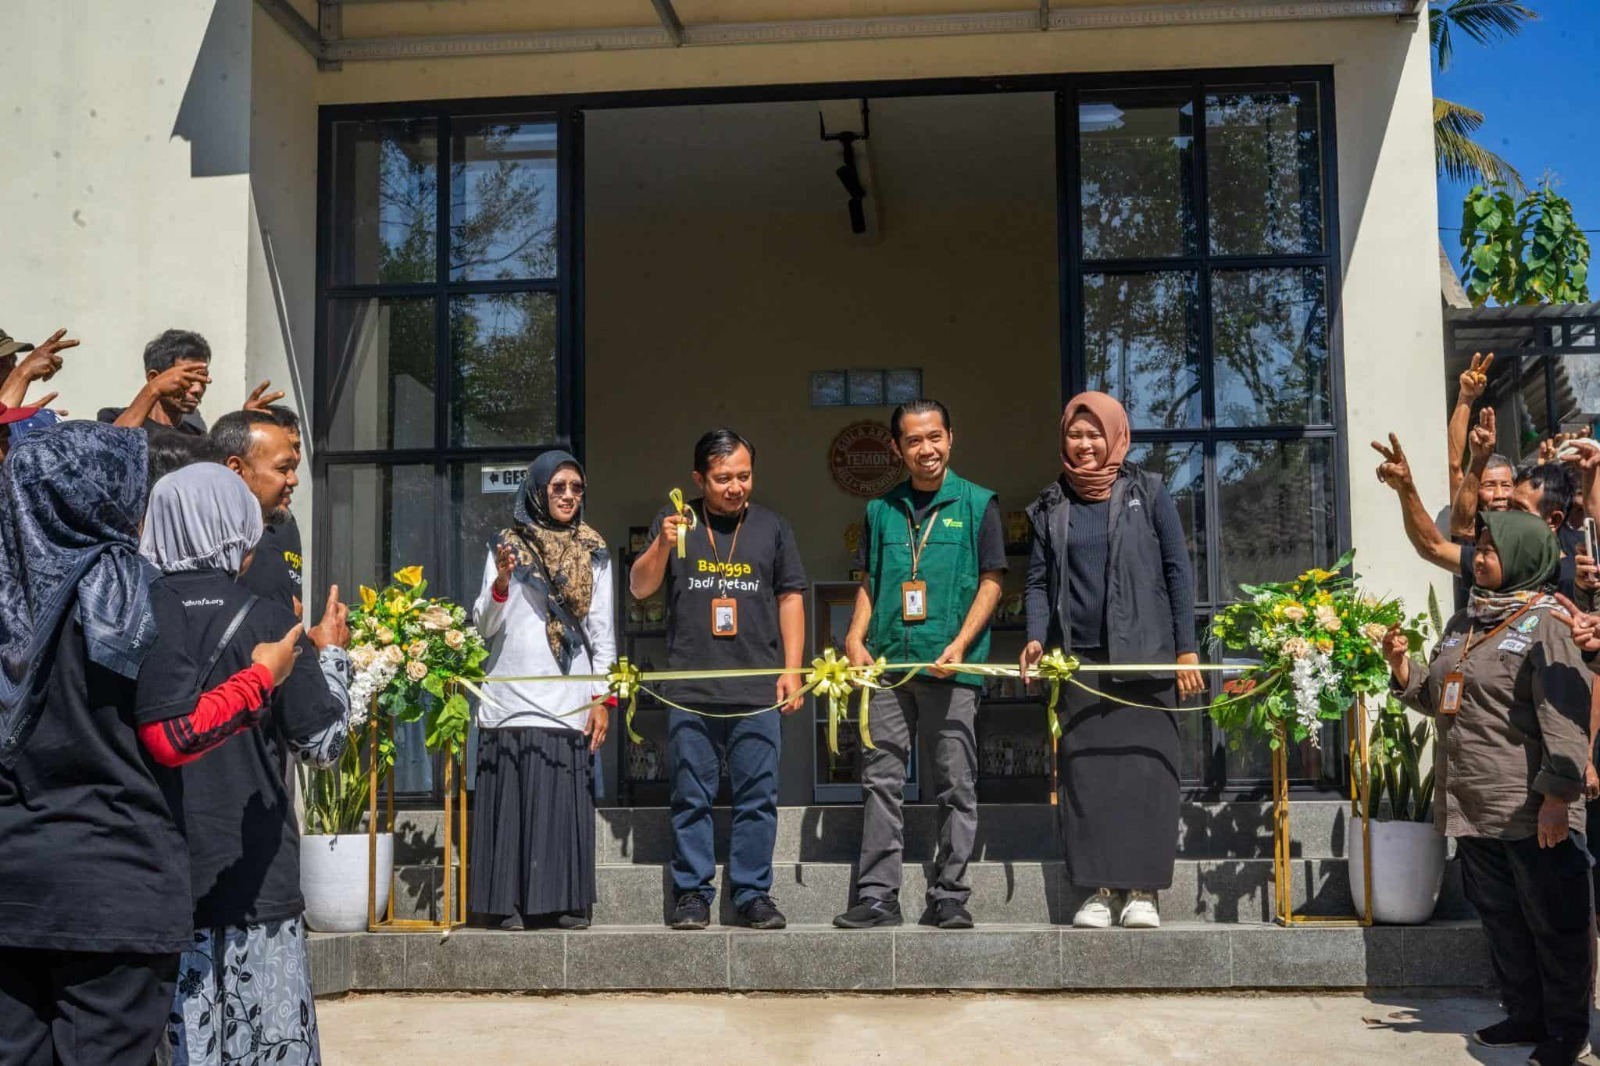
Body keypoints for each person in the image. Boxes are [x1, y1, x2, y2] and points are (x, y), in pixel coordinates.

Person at [0, 422, 298, 1066]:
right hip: (114, 885)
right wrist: (260, 679)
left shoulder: (9, 596)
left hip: (14, 886)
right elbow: (174, 736)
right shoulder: (130, 592)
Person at [137, 463, 351, 1066]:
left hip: (164, 877)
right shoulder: (267, 617)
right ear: (239, 527)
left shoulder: (134, 615)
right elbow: (322, 745)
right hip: (258, 876)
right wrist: (330, 658)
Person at [1385, 510, 1592, 1066]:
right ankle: (1524, 1013)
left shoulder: (1549, 622)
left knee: (1555, 923)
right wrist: (1403, 668)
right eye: (1476, 549)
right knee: (1503, 918)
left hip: (1531, 807)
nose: (1478, 558)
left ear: (1523, 554)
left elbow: (1565, 716)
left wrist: (1557, 797)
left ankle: (1566, 1030)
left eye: (1490, 550)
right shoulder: (1465, 621)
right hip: (1473, 804)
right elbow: (1437, 698)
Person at [1018, 391, 1201, 930]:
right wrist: (1034, 636)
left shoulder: (1149, 490)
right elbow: (1035, 582)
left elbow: (1178, 571)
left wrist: (1185, 647)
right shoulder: (1052, 504)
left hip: (1147, 658)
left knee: (1146, 775)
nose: (1084, 443)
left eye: (1094, 432)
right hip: (1081, 665)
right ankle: (1097, 891)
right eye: (1075, 434)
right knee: (1086, 777)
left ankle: (1142, 891)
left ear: (1116, 434)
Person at [834, 400, 1004, 931]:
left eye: (934, 438)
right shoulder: (881, 509)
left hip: (951, 667)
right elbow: (870, 581)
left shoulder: (978, 504)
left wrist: (960, 644)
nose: (925, 449)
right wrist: (854, 636)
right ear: (896, 449)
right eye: (913, 441)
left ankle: (949, 895)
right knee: (880, 779)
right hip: (889, 666)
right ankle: (879, 897)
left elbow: (993, 581)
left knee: (956, 782)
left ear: (951, 438)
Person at [630, 429, 806, 931]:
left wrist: (792, 669)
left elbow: (790, 597)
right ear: (698, 479)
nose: (736, 487)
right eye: (723, 478)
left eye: (744, 476)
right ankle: (692, 892)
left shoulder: (772, 526)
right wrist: (662, 546)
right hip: (693, 687)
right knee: (691, 795)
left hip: (757, 686)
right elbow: (641, 588)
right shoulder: (676, 523)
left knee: (757, 797)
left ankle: (753, 894)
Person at [471, 451, 614, 931]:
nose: (569, 496)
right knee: (511, 804)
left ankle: (561, 902)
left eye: (576, 487)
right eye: (558, 488)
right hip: (509, 699)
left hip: (567, 699)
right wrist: (503, 581)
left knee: (559, 803)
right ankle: (505, 903)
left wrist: (600, 700)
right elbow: (483, 626)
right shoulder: (505, 545)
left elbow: (602, 632)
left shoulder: (594, 550)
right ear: (537, 490)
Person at [97, 329, 284, 435]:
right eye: (188, 378)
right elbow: (109, 449)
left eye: (203, 378)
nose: (197, 389)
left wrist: (244, 423)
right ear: (154, 377)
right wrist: (152, 390)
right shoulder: (113, 417)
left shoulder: (197, 438)